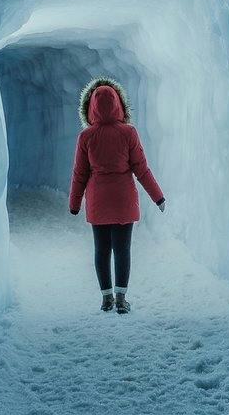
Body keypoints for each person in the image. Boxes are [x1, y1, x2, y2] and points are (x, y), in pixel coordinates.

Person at [67, 77, 165, 314]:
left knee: (101, 250)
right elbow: (142, 169)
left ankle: (106, 298)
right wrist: (158, 197)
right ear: (119, 104)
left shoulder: (86, 137)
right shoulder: (129, 133)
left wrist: (74, 203)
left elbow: (79, 173)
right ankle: (121, 299)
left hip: (98, 202)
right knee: (122, 249)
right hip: (123, 201)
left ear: (89, 107)